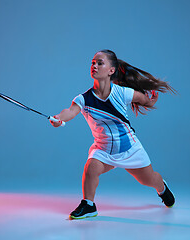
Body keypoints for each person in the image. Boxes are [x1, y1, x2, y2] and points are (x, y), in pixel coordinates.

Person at [50, 49, 176, 219]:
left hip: (130, 148)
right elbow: (70, 111)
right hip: (103, 150)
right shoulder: (83, 99)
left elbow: (143, 99)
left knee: (148, 180)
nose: (94, 65)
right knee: (91, 168)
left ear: (111, 70)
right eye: (92, 62)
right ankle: (89, 205)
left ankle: (162, 188)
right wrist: (59, 118)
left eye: (99, 63)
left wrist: (150, 100)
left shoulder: (122, 93)